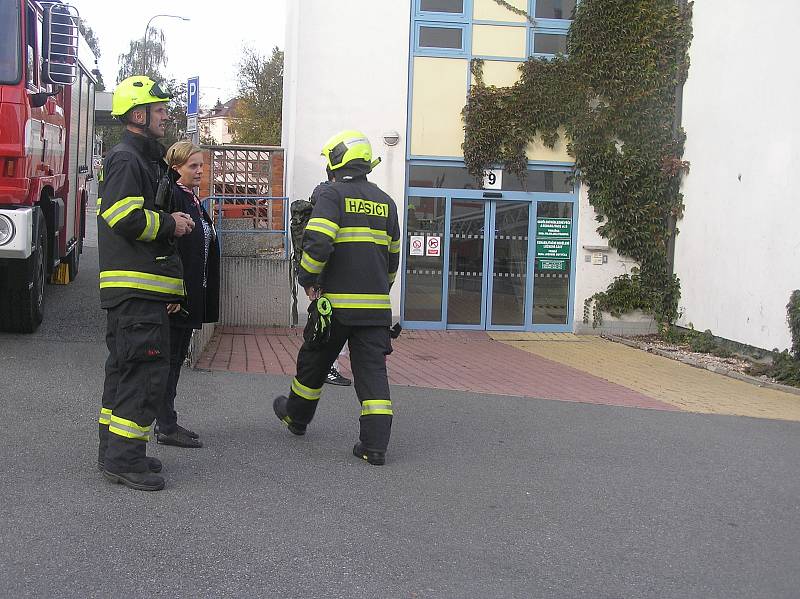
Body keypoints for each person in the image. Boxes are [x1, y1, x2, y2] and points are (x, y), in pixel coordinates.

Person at [273, 130, 401, 465]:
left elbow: (317, 243)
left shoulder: (331, 194)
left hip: (336, 308)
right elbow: (393, 260)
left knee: (314, 362)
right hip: (375, 311)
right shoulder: (387, 203)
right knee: (372, 373)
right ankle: (375, 447)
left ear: (335, 161)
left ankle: (296, 418)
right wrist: (378, 293)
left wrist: (307, 279)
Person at [97, 75, 195, 491]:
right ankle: (126, 459)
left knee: (125, 371)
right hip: (136, 291)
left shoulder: (143, 158)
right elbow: (123, 217)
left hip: (137, 292)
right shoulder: (127, 159)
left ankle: (116, 451)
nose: (166, 114)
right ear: (139, 114)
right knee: (143, 375)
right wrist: (171, 223)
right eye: (160, 109)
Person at [154, 141, 220, 449]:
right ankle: (164, 424)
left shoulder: (192, 199)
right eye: (193, 166)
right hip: (176, 295)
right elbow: (167, 248)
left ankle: (168, 420)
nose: (200, 171)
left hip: (191, 292)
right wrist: (172, 292)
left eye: (201, 165)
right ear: (176, 167)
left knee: (177, 357)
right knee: (168, 359)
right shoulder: (174, 197)